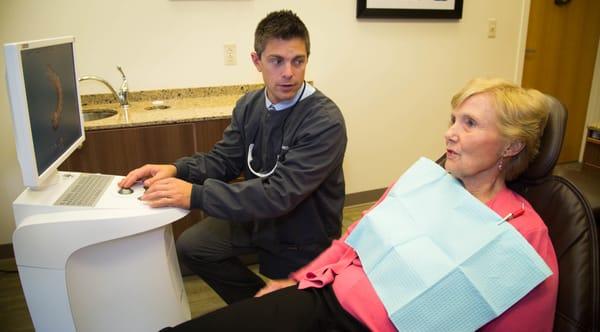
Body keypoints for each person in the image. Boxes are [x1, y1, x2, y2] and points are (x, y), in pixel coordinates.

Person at [159, 78, 559, 332]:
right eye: (453, 119)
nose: (449, 134)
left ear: (512, 145)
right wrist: (302, 280)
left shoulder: (522, 234)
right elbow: (355, 237)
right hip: (325, 300)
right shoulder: (423, 182)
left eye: (469, 124)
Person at [119, 10, 347, 304]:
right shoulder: (250, 105)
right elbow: (223, 161)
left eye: (298, 61)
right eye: (276, 61)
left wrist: (196, 195)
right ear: (257, 61)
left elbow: (279, 195)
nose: (288, 72)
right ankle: (256, 307)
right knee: (193, 246)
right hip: (258, 217)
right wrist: (176, 170)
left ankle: (277, 309)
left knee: (297, 309)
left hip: (301, 232)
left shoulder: (324, 121)